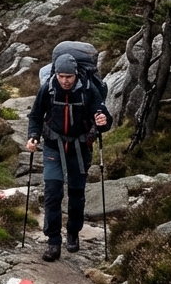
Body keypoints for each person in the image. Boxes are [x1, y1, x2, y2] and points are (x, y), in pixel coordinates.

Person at [25, 54, 111, 261]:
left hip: (80, 148)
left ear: (76, 75)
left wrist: (102, 121)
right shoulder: (48, 88)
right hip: (53, 146)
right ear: (56, 74)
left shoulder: (89, 90)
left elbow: (105, 119)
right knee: (53, 193)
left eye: (69, 77)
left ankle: (73, 232)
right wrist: (33, 136)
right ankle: (53, 241)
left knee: (76, 193)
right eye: (61, 76)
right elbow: (36, 115)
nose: (65, 81)